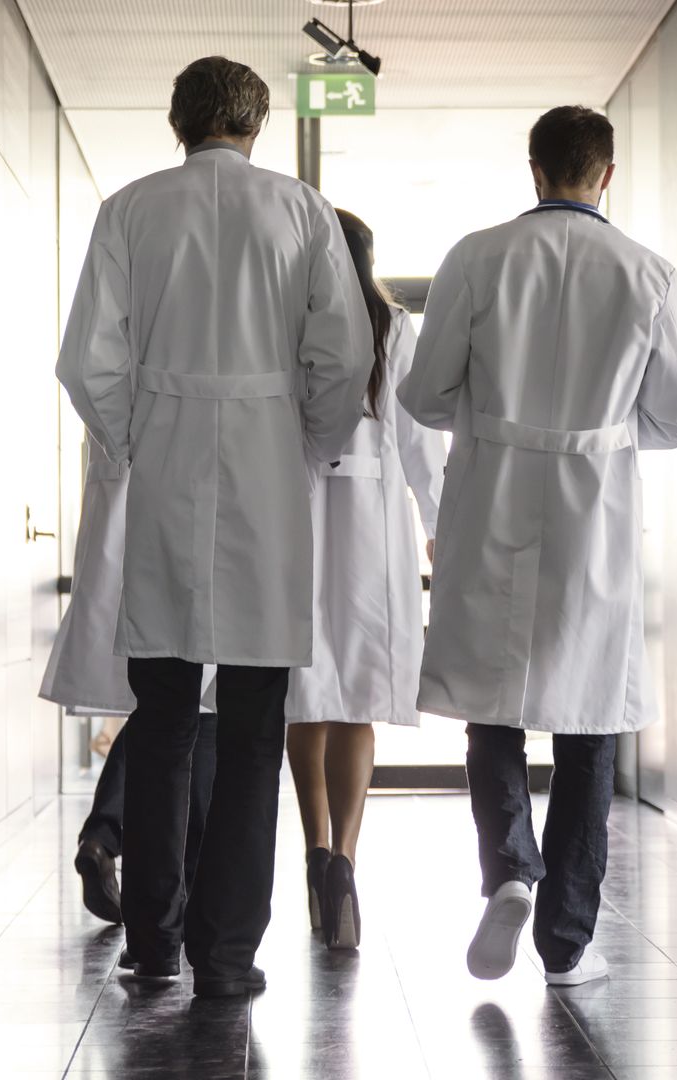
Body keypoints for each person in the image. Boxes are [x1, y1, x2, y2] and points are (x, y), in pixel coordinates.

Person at [55, 56, 373, 998]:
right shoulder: (302, 211)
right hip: (268, 479)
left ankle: (152, 940)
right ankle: (227, 953)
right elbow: (343, 355)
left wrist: (132, 446)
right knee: (251, 729)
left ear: (176, 122)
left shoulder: (130, 210)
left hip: (164, 472)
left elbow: (86, 363)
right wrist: (302, 446)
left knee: (161, 723)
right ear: (258, 126)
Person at [397, 106, 677, 988]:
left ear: (534, 171)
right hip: (593, 507)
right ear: (603, 174)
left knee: (491, 707)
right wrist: (605, 431)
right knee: (589, 720)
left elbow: (422, 395)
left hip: (492, 492)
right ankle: (566, 942)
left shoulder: (477, 256)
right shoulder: (646, 273)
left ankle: (509, 871)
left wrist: (496, 419)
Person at [284, 209, 445, 952]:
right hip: (374, 530)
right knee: (356, 704)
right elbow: (422, 447)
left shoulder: (290, 324)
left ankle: (315, 851)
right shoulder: (394, 330)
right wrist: (443, 528)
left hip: (296, 522)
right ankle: (345, 859)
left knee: (305, 697)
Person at [39, 434, 217, 927]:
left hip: (141, 485)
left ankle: (106, 839)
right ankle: (175, 904)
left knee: (169, 703)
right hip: (188, 493)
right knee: (197, 707)